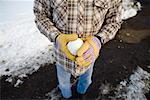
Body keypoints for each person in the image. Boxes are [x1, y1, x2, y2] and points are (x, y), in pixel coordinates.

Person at [34, 0, 122, 99]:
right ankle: (67, 96)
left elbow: (114, 20)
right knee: (63, 83)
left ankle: (81, 93)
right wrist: (56, 36)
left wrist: (98, 40)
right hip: (62, 57)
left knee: (86, 80)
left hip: (89, 56)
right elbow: (41, 16)